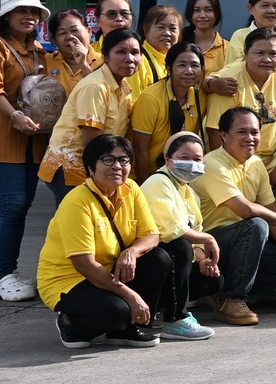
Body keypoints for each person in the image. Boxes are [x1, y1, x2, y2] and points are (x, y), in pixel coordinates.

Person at [37, 133, 168, 349]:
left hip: (110, 269)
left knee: (159, 258)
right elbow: (84, 264)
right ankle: (71, 322)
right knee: (116, 311)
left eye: (123, 160)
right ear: (91, 167)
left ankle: (127, 329)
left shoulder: (131, 189)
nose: (117, 166)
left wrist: (131, 252)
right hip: (70, 279)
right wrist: (131, 296)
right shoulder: (77, 202)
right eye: (108, 159)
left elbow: (152, 235)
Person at [191, 105, 276, 325]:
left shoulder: (256, 163)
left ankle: (221, 288)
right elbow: (246, 210)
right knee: (257, 225)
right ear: (223, 135)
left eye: (255, 132)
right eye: (242, 132)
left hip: (245, 243)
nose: (250, 138)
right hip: (209, 244)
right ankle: (232, 298)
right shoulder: (212, 163)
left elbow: (270, 207)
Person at [0, 0, 53, 301]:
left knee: (21, 206)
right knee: (13, 204)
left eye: (34, 11)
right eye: (21, 10)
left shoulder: (39, 50)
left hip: (32, 142)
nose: (29, 16)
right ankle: (1, 277)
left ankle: (9, 273)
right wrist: (15, 116)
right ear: (6, 16)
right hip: (2, 138)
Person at [42, 27, 145, 202]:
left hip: (97, 165)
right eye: (121, 52)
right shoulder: (95, 87)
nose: (129, 58)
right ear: (105, 56)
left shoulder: (122, 87)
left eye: (135, 52)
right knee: (79, 217)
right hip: (72, 168)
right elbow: (93, 141)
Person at [136, 130, 220, 341]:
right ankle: (175, 318)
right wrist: (208, 239)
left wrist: (203, 260)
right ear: (168, 159)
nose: (191, 164)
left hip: (168, 265)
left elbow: (196, 231)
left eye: (197, 159)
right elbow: (172, 231)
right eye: (184, 158)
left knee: (212, 280)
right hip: (146, 263)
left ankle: (163, 310)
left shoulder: (189, 192)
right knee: (180, 246)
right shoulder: (158, 182)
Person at [203, 25, 276, 191]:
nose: (267, 59)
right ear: (246, 53)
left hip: (268, 166)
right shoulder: (228, 81)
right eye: (259, 53)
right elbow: (215, 132)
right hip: (231, 165)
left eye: (273, 54)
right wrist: (227, 171)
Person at [128, 41, 206, 181]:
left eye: (195, 65)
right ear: (169, 68)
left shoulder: (200, 96)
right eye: (181, 65)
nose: (189, 71)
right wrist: (146, 185)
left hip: (180, 175)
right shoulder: (150, 99)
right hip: (148, 175)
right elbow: (140, 149)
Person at [223, 0, 276, 64]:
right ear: (251, 9)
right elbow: (232, 68)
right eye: (265, 5)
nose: (271, 10)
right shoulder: (240, 36)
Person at [50, 9, 97, 95]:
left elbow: (108, 94)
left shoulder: (106, 61)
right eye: (62, 33)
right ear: (55, 40)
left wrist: (84, 66)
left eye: (74, 30)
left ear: (89, 31)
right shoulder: (46, 60)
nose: (70, 36)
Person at [184, 0, 229, 77]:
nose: (202, 15)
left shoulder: (227, 49)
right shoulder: (179, 44)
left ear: (217, 14)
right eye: (196, 10)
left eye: (208, 10)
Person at [137, 4, 181, 85]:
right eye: (161, 27)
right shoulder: (138, 60)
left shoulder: (177, 60)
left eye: (172, 28)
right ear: (146, 30)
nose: (167, 33)